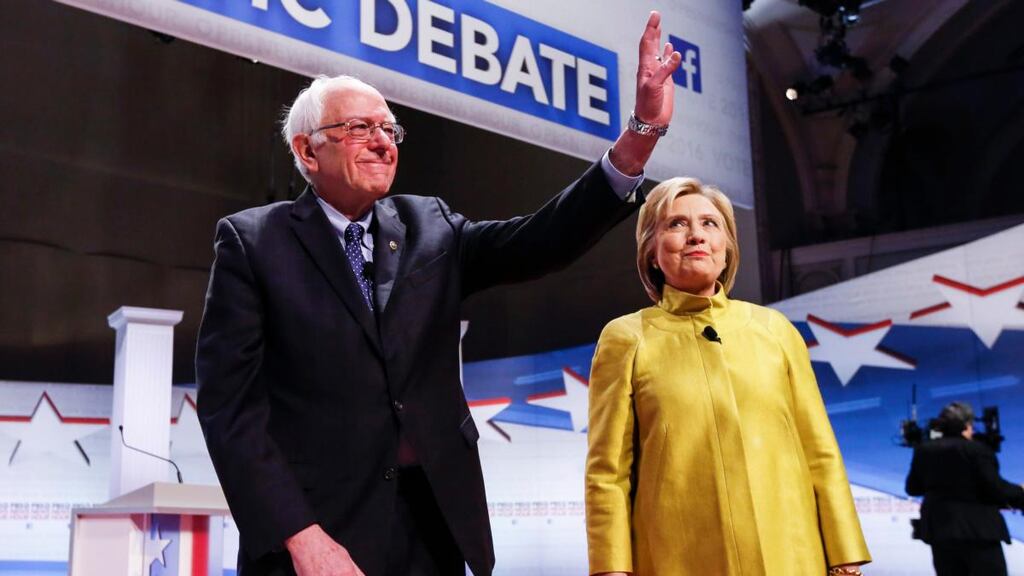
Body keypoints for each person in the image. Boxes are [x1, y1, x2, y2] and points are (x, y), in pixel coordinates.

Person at [196, 11, 683, 576]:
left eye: (390, 130)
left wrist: (639, 136)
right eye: (361, 128)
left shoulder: (429, 225)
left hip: (434, 532)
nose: (384, 142)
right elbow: (231, 411)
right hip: (318, 537)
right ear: (308, 151)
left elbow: (539, 241)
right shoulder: (253, 243)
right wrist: (300, 537)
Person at [584, 177, 871, 576]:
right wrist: (610, 568)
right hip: (677, 558)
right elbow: (607, 470)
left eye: (709, 223)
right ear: (651, 252)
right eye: (676, 224)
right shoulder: (625, 337)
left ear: (727, 249)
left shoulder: (774, 329)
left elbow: (819, 449)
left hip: (791, 552)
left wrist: (845, 554)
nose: (696, 235)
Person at [906, 401, 1024, 576]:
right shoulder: (977, 450)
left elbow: (913, 488)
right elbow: (995, 489)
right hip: (978, 531)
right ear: (967, 425)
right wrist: (1020, 491)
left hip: (940, 531)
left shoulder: (924, 450)